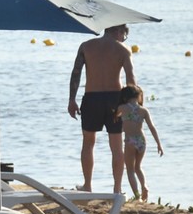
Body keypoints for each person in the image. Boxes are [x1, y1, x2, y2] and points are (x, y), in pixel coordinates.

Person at [68, 23, 135, 195]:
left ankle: (88, 185)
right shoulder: (123, 50)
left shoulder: (86, 46)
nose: (123, 38)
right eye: (124, 35)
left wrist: (71, 100)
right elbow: (131, 81)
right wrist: (132, 105)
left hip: (92, 98)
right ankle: (117, 189)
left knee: (88, 143)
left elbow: (76, 74)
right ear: (119, 31)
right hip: (115, 99)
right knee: (116, 146)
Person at [118, 86, 164, 202]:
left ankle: (137, 195)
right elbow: (152, 127)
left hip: (130, 141)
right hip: (141, 140)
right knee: (138, 167)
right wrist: (159, 144)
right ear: (138, 96)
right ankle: (144, 186)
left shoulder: (122, 108)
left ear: (124, 97)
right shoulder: (143, 110)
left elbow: (114, 118)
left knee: (130, 169)